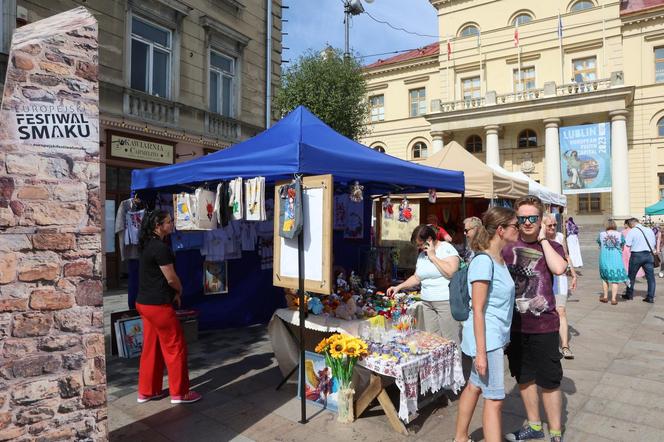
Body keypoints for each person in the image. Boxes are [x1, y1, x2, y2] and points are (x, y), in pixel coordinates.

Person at [502, 195, 568, 442]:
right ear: (516, 219)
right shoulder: (507, 245)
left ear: (541, 219)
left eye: (533, 218)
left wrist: (543, 239)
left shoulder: (552, 246)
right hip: (516, 326)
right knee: (524, 377)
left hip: (544, 325)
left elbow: (559, 269)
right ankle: (534, 425)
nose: (527, 223)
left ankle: (555, 432)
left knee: (549, 380)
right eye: (522, 218)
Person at [453, 207, 518, 442]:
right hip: (487, 340)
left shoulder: (499, 259)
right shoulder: (483, 262)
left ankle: (460, 437)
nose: (518, 229)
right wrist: (481, 353)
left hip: (492, 336)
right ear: (501, 230)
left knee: (474, 386)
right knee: (495, 399)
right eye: (515, 225)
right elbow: (478, 310)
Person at [136, 209, 202, 404]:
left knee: (151, 348)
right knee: (176, 348)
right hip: (157, 305)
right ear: (158, 225)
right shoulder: (160, 248)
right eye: (168, 222)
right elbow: (171, 278)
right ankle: (180, 393)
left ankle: (147, 391)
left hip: (144, 303)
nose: (171, 224)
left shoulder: (148, 244)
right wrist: (179, 290)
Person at [387, 224, 460, 342]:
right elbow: (417, 277)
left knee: (450, 340)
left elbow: (451, 272)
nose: (419, 248)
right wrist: (398, 287)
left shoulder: (446, 248)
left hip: (445, 301)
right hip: (427, 302)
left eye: (421, 244)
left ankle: (454, 361)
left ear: (429, 240)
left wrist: (433, 256)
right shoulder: (421, 255)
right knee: (433, 339)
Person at [543, 214, 577, 360]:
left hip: (559, 279)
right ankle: (549, 346)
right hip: (543, 281)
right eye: (549, 225)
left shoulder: (559, 237)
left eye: (554, 225)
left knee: (561, 311)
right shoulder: (538, 240)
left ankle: (565, 346)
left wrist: (573, 273)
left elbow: (566, 255)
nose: (552, 227)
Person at [623, 218, 657, 303]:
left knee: (631, 276)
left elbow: (628, 244)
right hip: (648, 255)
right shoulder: (649, 230)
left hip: (636, 255)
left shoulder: (633, 231)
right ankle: (650, 297)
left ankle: (629, 294)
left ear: (631, 224)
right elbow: (653, 243)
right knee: (650, 278)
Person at [597, 218, 628, 305]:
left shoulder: (601, 234)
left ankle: (606, 297)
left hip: (604, 258)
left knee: (604, 278)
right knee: (615, 280)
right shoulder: (619, 234)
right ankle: (614, 299)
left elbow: (599, 244)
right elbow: (622, 245)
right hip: (616, 258)